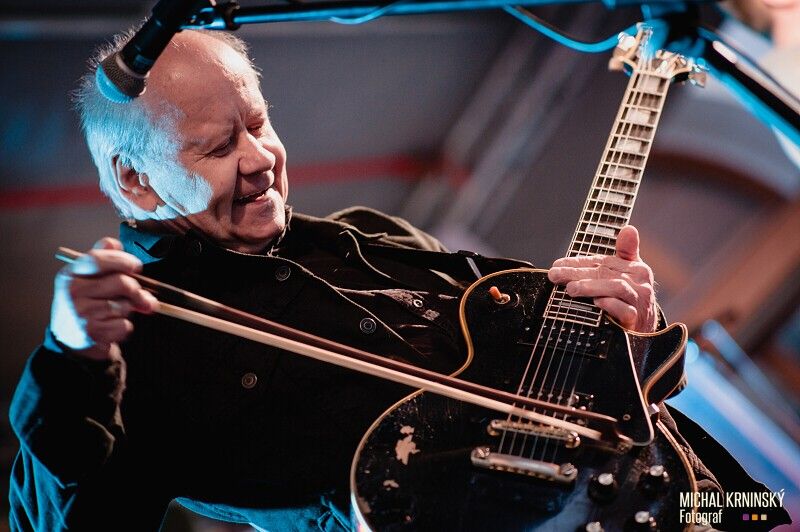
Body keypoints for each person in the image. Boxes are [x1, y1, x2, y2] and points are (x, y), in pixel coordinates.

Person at [7, 29, 788, 531]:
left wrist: (631, 330)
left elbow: (583, 373)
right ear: (136, 181)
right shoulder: (136, 354)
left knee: (768, 507)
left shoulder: (373, 235)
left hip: (681, 496)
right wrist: (71, 357)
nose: (260, 159)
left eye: (259, 122)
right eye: (217, 147)